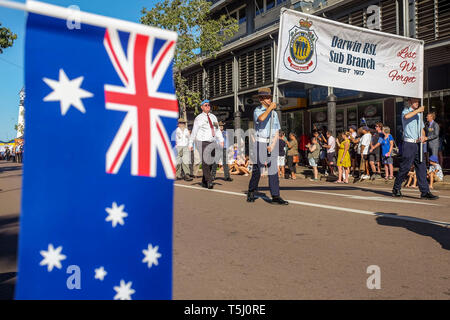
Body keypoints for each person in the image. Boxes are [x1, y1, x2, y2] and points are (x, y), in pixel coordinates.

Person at [247, 87, 288, 205]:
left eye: (270, 97)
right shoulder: (257, 110)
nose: (269, 99)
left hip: (271, 143)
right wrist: (270, 108)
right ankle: (251, 190)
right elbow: (261, 119)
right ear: (261, 99)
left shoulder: (274, 114)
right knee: (258, 169)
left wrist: (272, 144)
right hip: (260, 142)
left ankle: (275, 196)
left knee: (273, 170)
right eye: (266, 97)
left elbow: (276, 131)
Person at [392, 97, 438, 200]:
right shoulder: (406, 111)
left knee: (421, 168)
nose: (417, 103)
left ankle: (425, 192)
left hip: (418, 144)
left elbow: (421, 129)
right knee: (405, 167)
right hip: (409, 144)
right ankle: (396, 188)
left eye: (418, 101)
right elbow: (407, 117)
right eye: (415, 101)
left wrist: (424, 137)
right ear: (409, 102)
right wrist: (418, 110)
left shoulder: (419, 114)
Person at [189, 100, 224, 189]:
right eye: (205, 105)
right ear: (202, 107)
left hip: (212, 141)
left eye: (208, 105)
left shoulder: (213, 117)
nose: (208, 106)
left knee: (211, 161)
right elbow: (194, 131)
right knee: (205, 161)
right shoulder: (199, 118)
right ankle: (209, 181)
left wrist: (221, 140)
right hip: (202, 141)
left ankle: (204, 181)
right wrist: (190, 143)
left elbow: (217, 129)